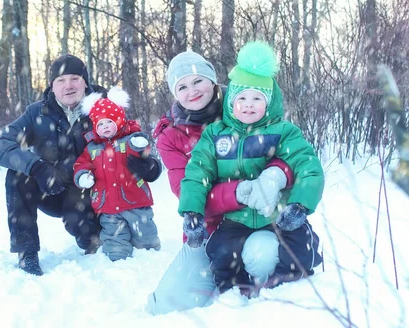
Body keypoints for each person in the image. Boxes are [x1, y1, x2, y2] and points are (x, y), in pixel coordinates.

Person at [148, 51, 289, 314]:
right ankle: (220, 273)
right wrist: (239, 192)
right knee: (166, 305)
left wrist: (274, 175)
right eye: (182, 86)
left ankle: (254, 286)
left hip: (257, 219)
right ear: (175, 94)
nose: (192, 91)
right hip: (208, 231)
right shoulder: (171, 137)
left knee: (263, 255)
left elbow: (287, 149)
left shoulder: (244, 105)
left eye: (198, 80)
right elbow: (187, 192)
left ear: (213, 81)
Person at [179, 41, 324, 294]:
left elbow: (309, 167)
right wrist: (192, 211)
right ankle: (232, 288)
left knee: (301, 246)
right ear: (231, 102)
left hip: (276, 212)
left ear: (269, 103)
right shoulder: (216, 134)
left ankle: (286, 279)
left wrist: (300, 204)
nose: (248, 104)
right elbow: (197, 174)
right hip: (237, 216)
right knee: (221, 252)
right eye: (242, 97)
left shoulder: (283, 132)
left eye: (257, 98)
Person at [0, 54, 103, 276]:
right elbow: (0, 143)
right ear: (52, 86)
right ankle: (27, 253)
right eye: (61, 80)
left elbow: (128, 141)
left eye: (74, 78)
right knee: (17, 175)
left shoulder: (102, 109)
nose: (68, 86)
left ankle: (93, 237)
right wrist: (37, 168)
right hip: (51, 186)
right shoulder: (37, 113)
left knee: (91, 239)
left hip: (91, 193)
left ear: (85, 82)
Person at [74, 87, 161, 261]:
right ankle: (117, 255)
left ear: (119, 121)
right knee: (113, 237)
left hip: (135, 201)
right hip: (108, 205)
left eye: (109, 122)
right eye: (100, 124)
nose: (105, 127)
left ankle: (149, 253)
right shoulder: (92, 148)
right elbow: (81, 164)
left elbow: (142, 151)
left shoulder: (129, 140)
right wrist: (83, 176)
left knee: (145, 235)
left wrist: (140, 145)